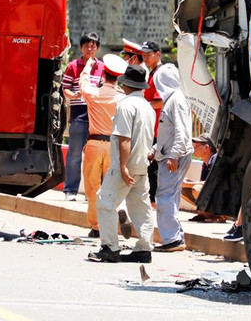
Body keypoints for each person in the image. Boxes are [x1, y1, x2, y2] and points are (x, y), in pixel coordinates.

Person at [88, 64, 156, 264]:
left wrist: (124, 166)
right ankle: (144, 249)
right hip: (142, 164)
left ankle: (110, 247)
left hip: (125, 165)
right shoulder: (148, 107)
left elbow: (124, 138)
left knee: (105, 202)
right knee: (140, 207)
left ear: (126, 84)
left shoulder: (126, 105)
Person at [79, 53, 127, 238]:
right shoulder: (121, 98)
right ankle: (117, 214)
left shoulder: (93, 93)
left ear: (103, 74)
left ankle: (96, 226)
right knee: (112, 186)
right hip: (113, 145)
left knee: (92, 188)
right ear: (118, 77)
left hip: (93, 144)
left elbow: (82, 83)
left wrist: (88, 66)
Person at [150, 64, 194, 252]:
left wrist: (174, 155)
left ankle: (172, 239)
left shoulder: (176, 100)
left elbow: (181, 131)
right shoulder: (173, 99)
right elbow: (167, 133)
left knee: (165, 196)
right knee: (170, 196)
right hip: (170, 154)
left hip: (175, 156)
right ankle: (175, 236)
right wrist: (155, 149)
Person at [61, 32, 104, 200]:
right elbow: (65, 88)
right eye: (87, 45)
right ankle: (70, 190)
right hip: (79, 118)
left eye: (93, 45)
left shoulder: (102, 68)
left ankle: (91, 192)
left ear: (97, 48)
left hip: (96, 119)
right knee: (74, 155)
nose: (90, 48)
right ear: (81, 47)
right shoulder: (73, 66)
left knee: (95, 158)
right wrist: (72, 95)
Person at [182, 134, 228, 222]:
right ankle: (205, 214)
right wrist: (187, 182)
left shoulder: (216, 160)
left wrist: (189, 183)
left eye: (197, 145)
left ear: (206, 147)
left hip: (223, 198)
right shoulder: (205, 163)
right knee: (182, 188)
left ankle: (219, 215)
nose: (193, 148)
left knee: (197, 189)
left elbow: (211, 184)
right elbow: (204, 182)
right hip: (215, 195)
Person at [140, 40, 163, 206]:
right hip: (152, 128)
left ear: (158, 55)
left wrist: (142, 105)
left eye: (148, 55)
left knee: (153, 169)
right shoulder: (153, 73)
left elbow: (160, 101)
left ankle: (153, 202)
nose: (145, 58)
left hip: (157, 129)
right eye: (144, 55)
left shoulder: (160, 74)